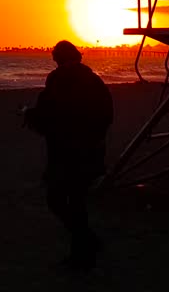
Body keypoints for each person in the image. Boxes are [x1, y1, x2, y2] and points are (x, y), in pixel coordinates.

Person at [23, 40, 113, 270]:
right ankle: (86, 243)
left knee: (59, 199)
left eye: (55, 57)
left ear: (59, 58)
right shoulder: (94, 79)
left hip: (66, 152)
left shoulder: (58, 80)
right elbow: (106, 115)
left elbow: (49, 113)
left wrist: (28, 115)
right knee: (77, 200)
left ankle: (84, 246)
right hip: (90, 151)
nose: (53, 61)